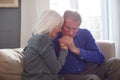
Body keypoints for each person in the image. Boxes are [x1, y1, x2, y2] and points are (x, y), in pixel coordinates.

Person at [53, 10, 120, 80]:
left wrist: (76, 50)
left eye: (75, 29)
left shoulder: (85, 34)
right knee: (92, 78)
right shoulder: (54, 37)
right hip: (68, 75)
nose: (71, 32)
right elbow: (54, 67)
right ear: (62, 25)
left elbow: (100, 58)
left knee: (116, 63)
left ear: (79, 26)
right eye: (68, 28)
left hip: (88, 69)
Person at [22, 10, 68, 80]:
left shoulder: (36, 38)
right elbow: (56, 68)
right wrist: (64, 49)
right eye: (58, 26)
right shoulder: (43, 39)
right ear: (51, 25)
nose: (60, 30)